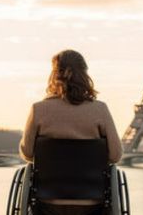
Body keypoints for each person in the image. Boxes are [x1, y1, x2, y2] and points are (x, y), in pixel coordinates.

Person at [19, 49, 123, 215]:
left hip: (48, 202)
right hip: (92, 203)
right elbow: (115, 155)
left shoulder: (38, 109)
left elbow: (27, 152)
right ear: (84, 75)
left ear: (54, 75)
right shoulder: (100, 110)